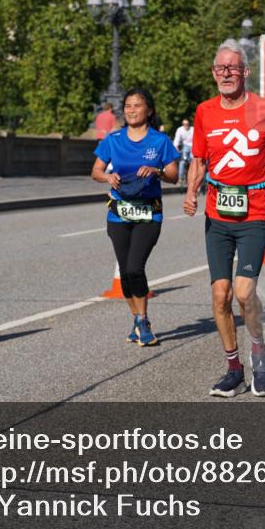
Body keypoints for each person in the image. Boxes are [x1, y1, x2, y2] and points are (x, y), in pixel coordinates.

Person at [183, 39, 265, 397]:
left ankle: (259, 353)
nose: (226, 74)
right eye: (220, 68)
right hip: (217, 215)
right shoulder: (204, 111)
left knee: (245, 293)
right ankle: (233, 369)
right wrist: (191, 191)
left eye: (232, 68)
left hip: (255, 212)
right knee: (220, 295)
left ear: (245, 71)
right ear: (213, 72)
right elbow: (199, 160)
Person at [92, 88, 180, 345]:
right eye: (128, 106)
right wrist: (107, 176)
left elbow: (174, 176)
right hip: (118, 212)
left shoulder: (160, 141)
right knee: (125, 272)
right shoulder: (114, 139)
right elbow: (96, 171)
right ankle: (137, 319)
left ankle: (143, 319)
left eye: (137, 105)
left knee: (134, 267)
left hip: (148, 212)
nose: (131, 110)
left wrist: (156, 170)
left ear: (149, 110)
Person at [173, 118, 194, 184]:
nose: (186, 125)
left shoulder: (193, 129)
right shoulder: (180, 130)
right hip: (185, 146)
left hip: (193, 146)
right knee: (182, 161)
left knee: (193, 161)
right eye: (184, 124)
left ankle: (193, 176)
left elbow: (197, 139)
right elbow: (176, 140)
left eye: (187, 124)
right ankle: (181, 178)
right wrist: (176, 148)